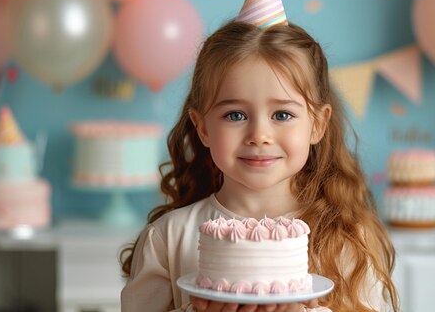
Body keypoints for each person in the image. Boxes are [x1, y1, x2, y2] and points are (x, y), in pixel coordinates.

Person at [119, 18, 399, 312]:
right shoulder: (166, 239)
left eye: (282, 115)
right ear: (202, 128)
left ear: (317, 124)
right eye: (235, 115)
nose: (259, 136)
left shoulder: (348, 239)